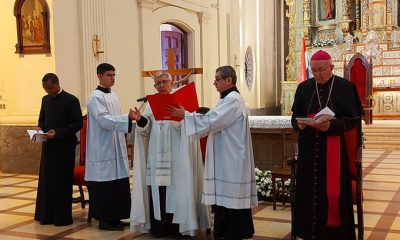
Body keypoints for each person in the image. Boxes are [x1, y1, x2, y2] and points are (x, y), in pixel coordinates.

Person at [169, 65, 258, 240]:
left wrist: (185, 115)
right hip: (226, 157)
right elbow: (212, 120)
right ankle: (224, 233)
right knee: (225, 202)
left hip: (231, 159)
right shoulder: (225, 99)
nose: (214, 83)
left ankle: (234, 234)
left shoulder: (233, 100)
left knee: (231, 201)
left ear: (229, 80)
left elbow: (213, 120)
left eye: (217, 79)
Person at [291, 50, 363, 240]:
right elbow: (295, 116)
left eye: (321, 70)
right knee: (308, 193)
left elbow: (352, 120)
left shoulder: (345, 87)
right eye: (314, 70)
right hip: (308, 151)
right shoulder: (304, 88)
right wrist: (298, 123)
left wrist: (331, 125)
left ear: (331, 67)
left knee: (333, 193)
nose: (317, 74)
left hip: (334, 153)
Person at [130, 71, 210, 237]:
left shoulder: (181, 99)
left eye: (165, 82)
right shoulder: (150, 104)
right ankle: (160, 228)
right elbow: (145, 130)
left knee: (177, 187)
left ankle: (177, 229)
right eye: (158, 83)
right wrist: (140, 120)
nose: (161, 85)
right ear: (154, 86)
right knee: (158, 189)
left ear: (172, 83)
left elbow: (192, 125)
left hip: (177, 154)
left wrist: (181, 117)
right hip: (156, 153)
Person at [85, 63, 134, 231]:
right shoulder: (94, 97)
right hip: (102, 146)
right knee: (105, 185)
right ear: (99, 76)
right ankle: (104, 220)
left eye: (114, 75)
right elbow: (104, 120)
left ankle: (116, 217)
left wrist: (127, 118)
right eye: (109, 75)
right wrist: (127, 119)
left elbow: (114, 117)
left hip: (116, 144)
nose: (112, 78)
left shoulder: (113, 96)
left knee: (118, 183)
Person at [34, 73, 83, 226]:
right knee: (47, 181)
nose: (47, 91)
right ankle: (46, 216)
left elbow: (77, 124)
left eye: (49, 88)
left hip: (64, 147)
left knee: (61, 182)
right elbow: (42, 119)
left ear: (57, 84)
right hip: (48, 146)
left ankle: (62, 218)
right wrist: (40, 128)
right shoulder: (45, 99)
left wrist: (58, 132)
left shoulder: (71, 100)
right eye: (44, 88)